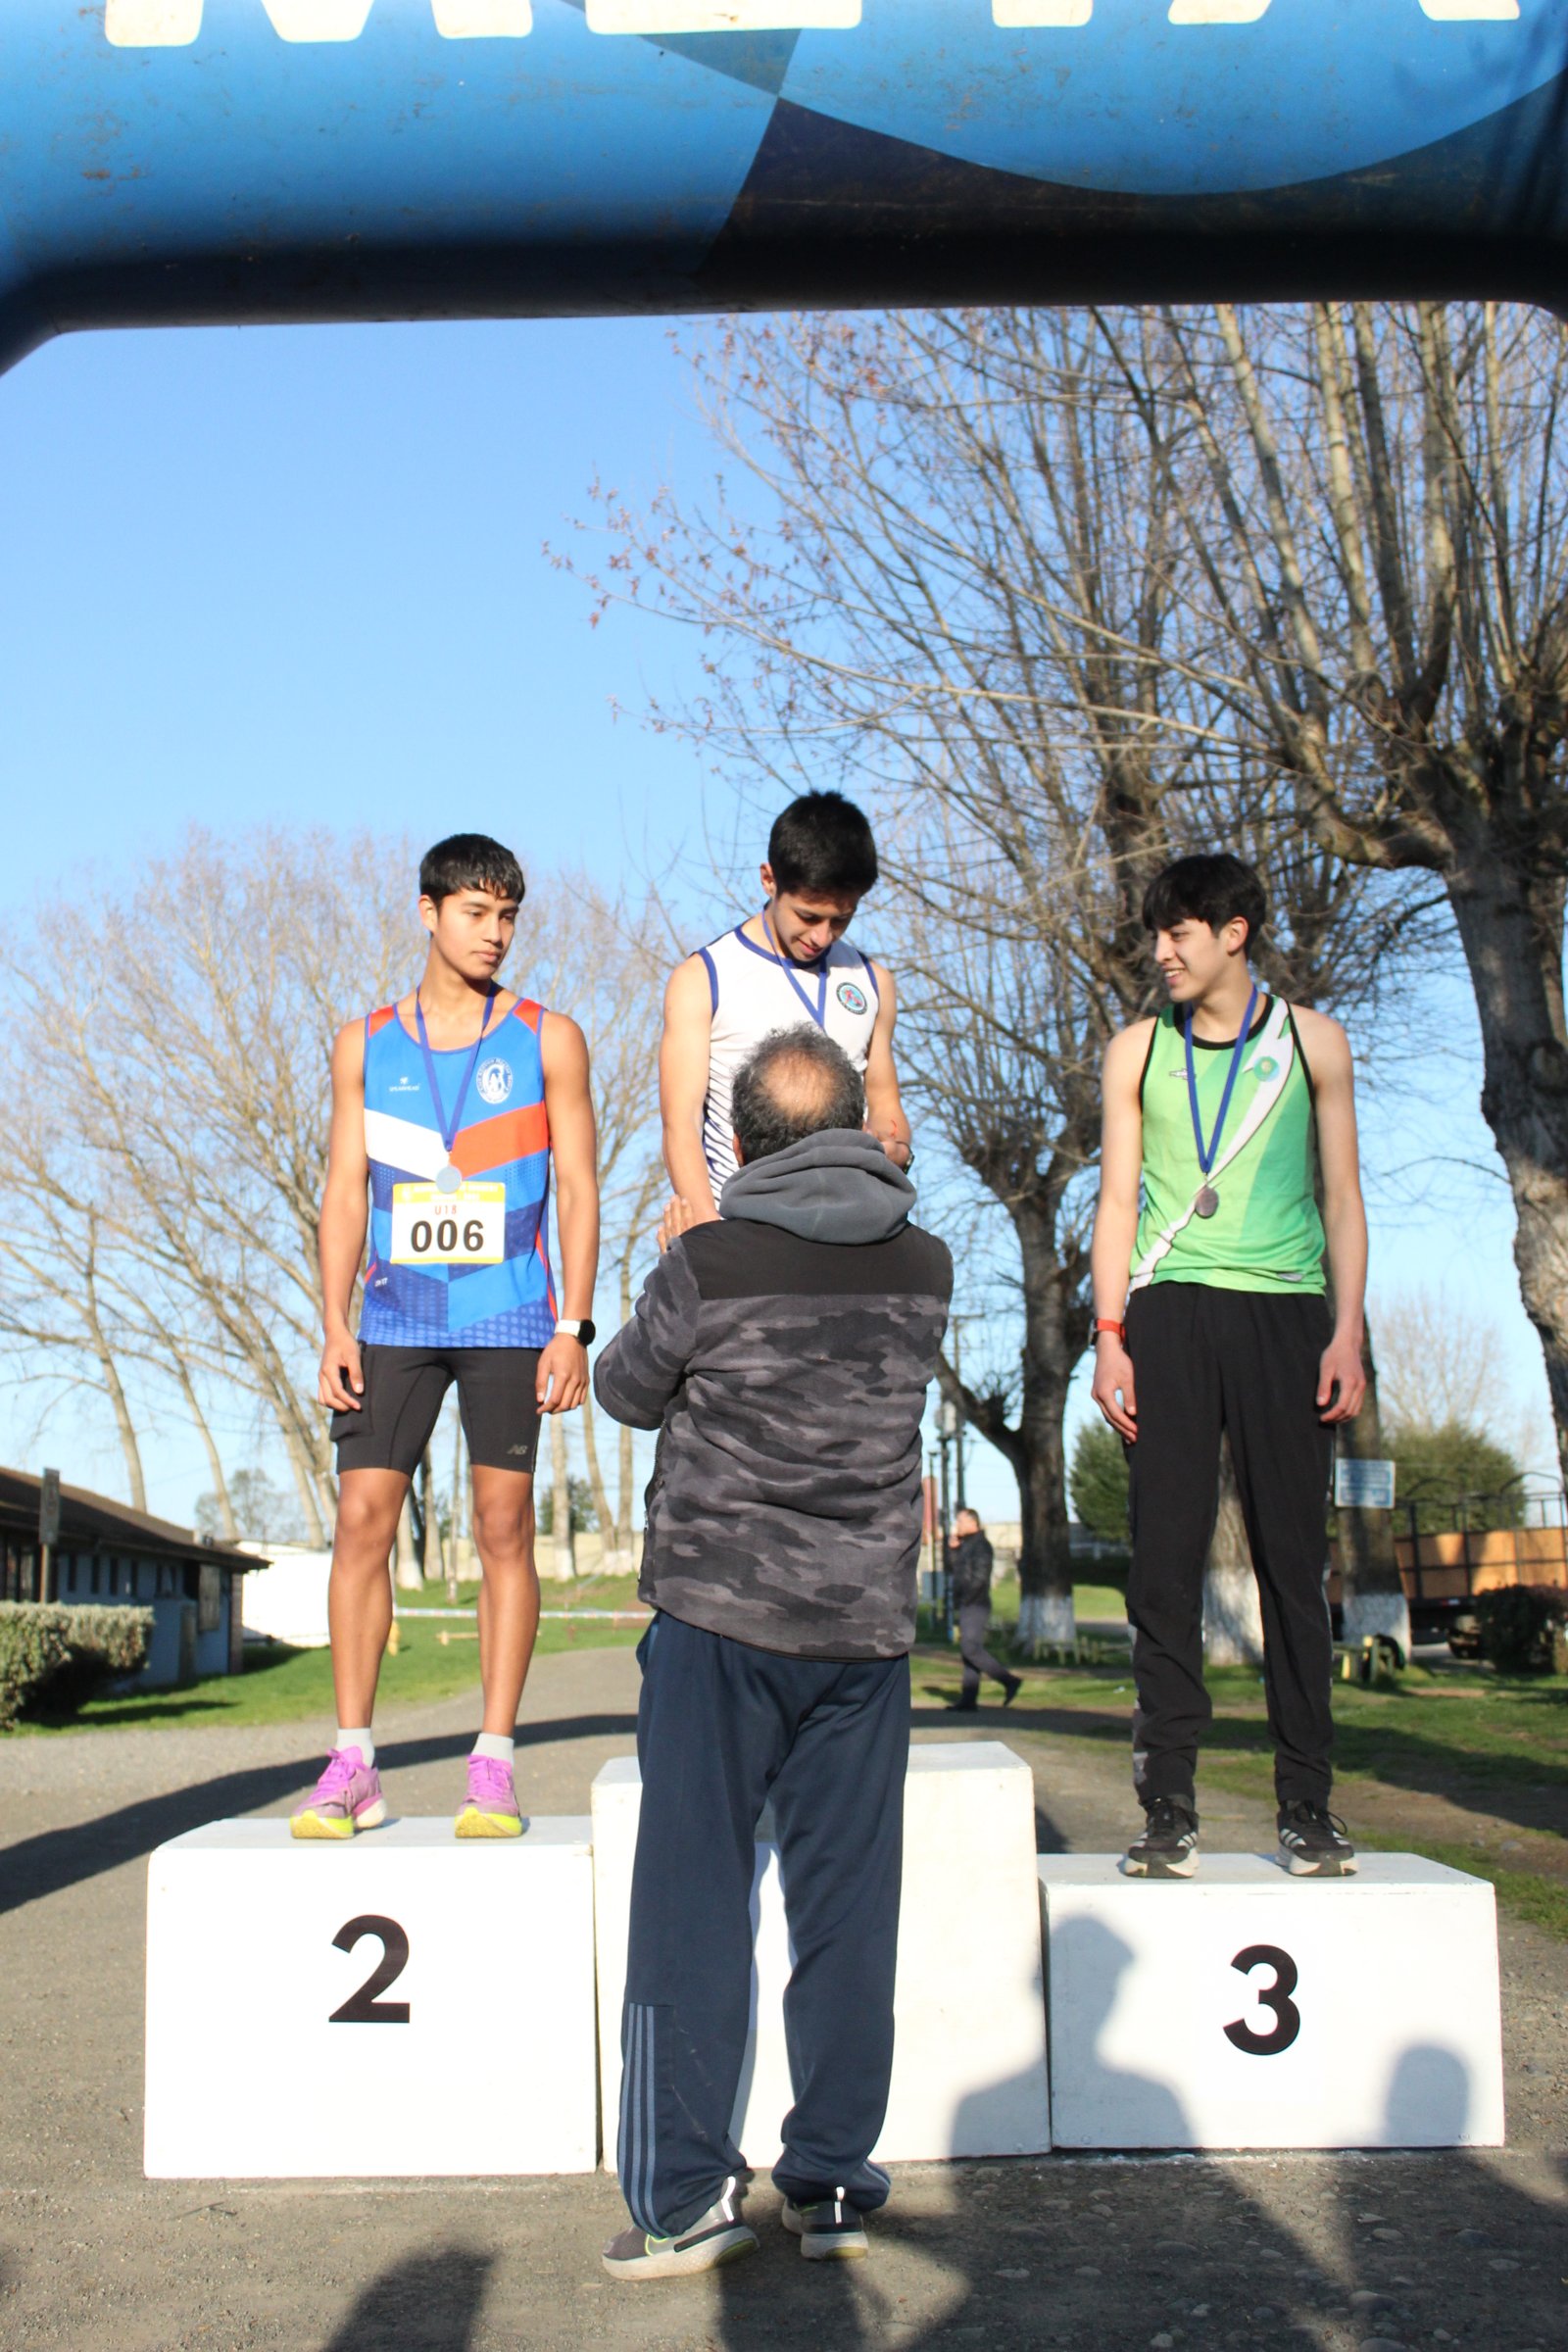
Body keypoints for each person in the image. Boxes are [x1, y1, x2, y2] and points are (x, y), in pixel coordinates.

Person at [593, 1024, 952, 2281]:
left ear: (734, 1143)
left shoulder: (707, 1260)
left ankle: (683, 2196)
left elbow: (627, 1389)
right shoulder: (927, 1264)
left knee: (691, 1905)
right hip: (862, 1634)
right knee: (847, 1911)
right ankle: (835, 2183)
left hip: (715, 1621)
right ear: (855, 1126)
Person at [293, 833, 599, 1841]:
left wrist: (571, 1326)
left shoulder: (548, 1038)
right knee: (362, 1526)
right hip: (391, 1316)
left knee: (505, 1529)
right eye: (476, 912)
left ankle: (494, 1764)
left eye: (508, 915)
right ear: (427, 912)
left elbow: (578, 1189)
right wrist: (332, 1319)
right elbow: (346, 1191)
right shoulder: (365, 1043)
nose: (494, 933)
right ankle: (352, 1766)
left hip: (509, 1317)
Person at [1088, 853, 1366, 1882]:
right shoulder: (1134, 1053)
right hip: (1166, 1315)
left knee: (1293, 1567)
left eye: (1180, 934)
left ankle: (1308, 1807)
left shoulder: (1315, 1044)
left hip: (1287, 1314)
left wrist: (1346, 1332)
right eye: (1156, 935)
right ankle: (1167, 1808)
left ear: (1234, 933)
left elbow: (1341, 1197)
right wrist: (1108, 1335)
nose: (1161, 952)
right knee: (1162, 1567)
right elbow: (1115, 1203)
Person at [658, 789, 911, 1237]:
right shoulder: (702, 979)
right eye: (808, 915)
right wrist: (708, 1235)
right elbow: (680, 1125)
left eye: (841, 920)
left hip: (850, 1238)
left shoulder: (874, 983)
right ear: (768, 879)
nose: (822, 936)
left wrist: (893, 1148)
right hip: (741, 1232)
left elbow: (888, 1106)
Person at [946, 1506, 1022, 1710]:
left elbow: (980, 1577)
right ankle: (968, 1700)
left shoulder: (981, 1546)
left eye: (960, 1521)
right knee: (969, 1651)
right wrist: (953, 1551)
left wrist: (968, 1599)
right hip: (967, 1603)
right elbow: (954, 1570)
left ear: (973, 1522)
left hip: (976, 1604)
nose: (957, 1525)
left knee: (970, 1649)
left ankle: (1009, 1681)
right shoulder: (965, 1545)